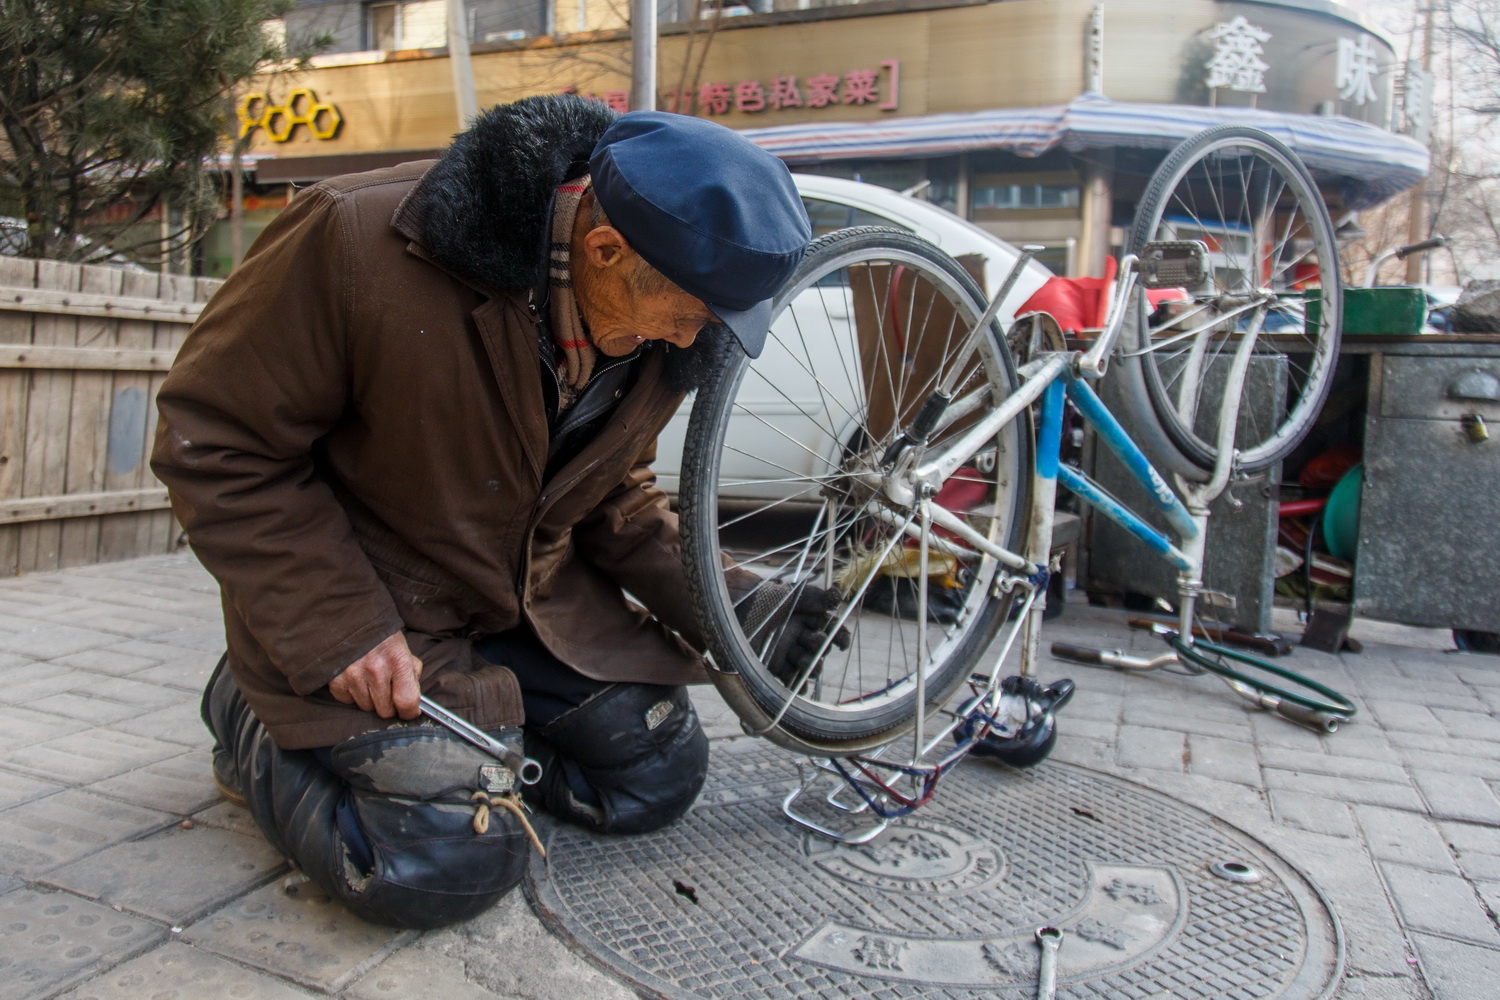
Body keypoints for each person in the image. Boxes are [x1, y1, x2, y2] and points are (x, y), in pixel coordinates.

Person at [151, 95, 816, 929]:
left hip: (525, 611)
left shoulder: (658, 325)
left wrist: (731, 602)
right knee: (446, 859)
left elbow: (612, 494)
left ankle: (470, 745)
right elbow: (214, 440)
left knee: (657, 772)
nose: (693, 340)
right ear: (606, 249)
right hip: (375, 611)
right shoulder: (355, 235)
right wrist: (335, 628)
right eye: (687, 316)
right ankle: (247, 712)